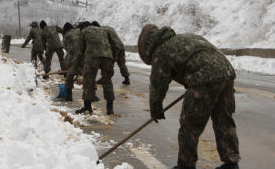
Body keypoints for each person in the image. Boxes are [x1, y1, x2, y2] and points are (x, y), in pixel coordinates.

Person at [138, 24, 240, 169]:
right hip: (227, 73)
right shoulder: (186, 38)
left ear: (148, 47)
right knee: (224, 121)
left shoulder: (161, 52)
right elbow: (199, 57)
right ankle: (231, 163)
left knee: (189, 125)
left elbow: (157, 85)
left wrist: (156, 109)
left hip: (203, 78)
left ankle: (186, 165)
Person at [74, 22, 115, 115]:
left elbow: (79, 52)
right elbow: (114, 45)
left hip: (93, 57)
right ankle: (110, 108)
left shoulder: (84, 32)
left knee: (88, 80)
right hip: (108, 56)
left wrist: (75, 66)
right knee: (107, 80)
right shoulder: (103, 30)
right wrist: (113, 58)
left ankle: (87, 107)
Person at [62, 22, 82, 101]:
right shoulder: (79, 31)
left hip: (72, 56)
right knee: (88, 74)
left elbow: (66, 48)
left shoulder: (66, 35)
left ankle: (69, 95)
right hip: (83, 55)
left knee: (69, 75)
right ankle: (93, 95)